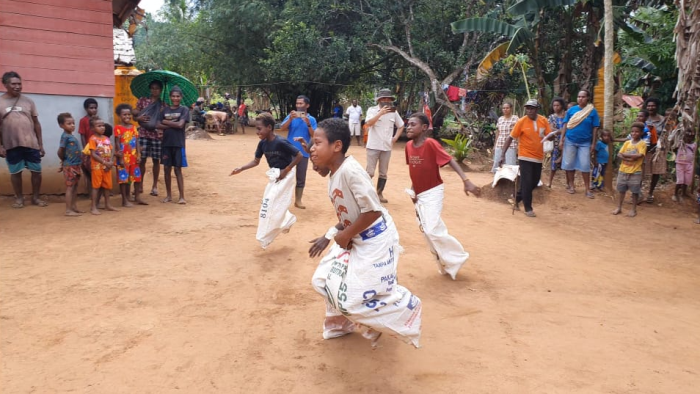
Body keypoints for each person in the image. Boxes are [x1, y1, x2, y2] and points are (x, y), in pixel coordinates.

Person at [308, 117, 422, 348]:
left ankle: (406, 305)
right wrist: (332, 234)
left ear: (336, 146)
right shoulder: (336, 171)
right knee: (323, 280)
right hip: (356, 236)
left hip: (376, 239)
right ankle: (344, 324)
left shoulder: (351, 172)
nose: (312, 149)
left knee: (356, 298)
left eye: (317, 143)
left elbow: (372, 211)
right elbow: (349, 214)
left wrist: (345, 235)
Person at [405, 113, 481, 279]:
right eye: (408, 124)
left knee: (432, 230)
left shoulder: (431, 144)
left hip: (433, 192)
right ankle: (445, 265)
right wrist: (414, 190)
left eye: (413, 124)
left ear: (424, 128)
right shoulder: (408, 146)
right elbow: (414, 170)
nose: (408, 127)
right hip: (420, 194)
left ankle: (459, 257)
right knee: (427, 232)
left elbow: (450, 160)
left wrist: (466, 180)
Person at [230, 113, 303, 248]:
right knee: (271, 203)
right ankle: (287, 219)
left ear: (269, 127)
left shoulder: (280, 142)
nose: (257, 132)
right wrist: (241, 168)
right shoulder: (262, 144)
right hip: (275, 175)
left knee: (270, 202)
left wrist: (286, 171)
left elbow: (299, 155)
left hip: (286, 174)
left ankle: (268, 235)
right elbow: (256, 161)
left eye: (259, 129)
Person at [0, 71, 47, 208]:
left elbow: (36, 123)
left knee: (37, 171)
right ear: (5, 85)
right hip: (11, 144)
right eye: (13, 84)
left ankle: (36, 198)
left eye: (19, 84)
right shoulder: (1, 102)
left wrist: (40, 144)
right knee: (15, 172)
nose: (17, 86)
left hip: (30, 143)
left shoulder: (28, 101)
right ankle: (19, 198)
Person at [499, 99, 551, 217]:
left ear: (537, 109)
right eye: (527, 108)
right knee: (527, 182)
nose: (529, 110)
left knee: (535, 180)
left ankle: (516, 198)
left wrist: (553, 136)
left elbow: (549, 135)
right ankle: (528, 208)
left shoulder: (543, 121)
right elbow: (510, 137)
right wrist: (503, 154)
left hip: (538, 157)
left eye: (532, 108)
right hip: (525, 156)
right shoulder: (521, 122)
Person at [365, 88, 405, 203]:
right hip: (373, 145)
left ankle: (379, 193)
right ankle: (366, 193)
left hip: (387, 147)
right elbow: (368, 123)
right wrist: (380, 113)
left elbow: (401, 125)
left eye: (388, 99)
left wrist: (395, 138)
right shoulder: (372, 110)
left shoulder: (394, 112)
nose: (386, 101)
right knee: (370, 172)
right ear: (379, 100)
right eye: (384, 98)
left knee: (383, 172)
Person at [560, 90, 600, 198]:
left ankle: (587, 189)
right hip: (570, 140)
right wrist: (561, 139)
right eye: (578, 96)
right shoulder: (571, 110)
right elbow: (565, 125)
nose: (580, 99)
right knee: (569, 164)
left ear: (588, 98)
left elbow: (595, 128)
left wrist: (593, 143)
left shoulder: (592, 111)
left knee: (585, 165)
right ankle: (571, 186)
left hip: (585, 142)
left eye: (583, 97)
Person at [279, 95, 316, 209]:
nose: (298, 106)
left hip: (303, 151)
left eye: (301, 103)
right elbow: (282, 128)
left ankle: (298, 200)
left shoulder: (312, 119)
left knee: (301, 177)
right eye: (297, 103)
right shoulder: (291, 116)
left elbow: (314, 135)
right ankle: (281, 200)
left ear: (307, 105)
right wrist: (290, 118)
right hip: (289, 150)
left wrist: (308, 123)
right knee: (284, 174)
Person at [156, 86, 189, 204]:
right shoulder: (164, 110)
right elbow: (158, 125)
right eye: (173, 96)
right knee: (166, 169)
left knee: (178, 170)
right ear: (170, 97)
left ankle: (182, 197)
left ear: (181, 97)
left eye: (178, 96)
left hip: (178, 143)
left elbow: (181, 125)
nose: (175, 98)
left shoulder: (184, 109)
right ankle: (169, 195)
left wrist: (166, 122)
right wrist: (172, 123)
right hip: (166, 143)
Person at [134, 80, 163, 197]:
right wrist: (139, 118)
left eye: (157, 88)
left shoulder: (163, 104)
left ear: (160, 90)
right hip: (143, 133)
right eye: (152, 88)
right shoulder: (142, 101)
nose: (154, 90)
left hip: (156, 135)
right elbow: (135, 114)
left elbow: (164, 118)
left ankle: (154, 186)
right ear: (150, 89)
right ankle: (140, 184)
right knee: (142, 159)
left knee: (156, 160)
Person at [114, 104, 146, 207]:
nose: (127, 116)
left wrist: (139, 154)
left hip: (133, 157)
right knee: (124, 179)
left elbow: (136, 142)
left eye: (129, 114)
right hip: (123, 157)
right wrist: (120, 158)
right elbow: (117, 143)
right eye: (124, 115)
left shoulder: (133, 127)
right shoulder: (118, 128)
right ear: (119, 116)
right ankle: (124, 200)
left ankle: (137, 197)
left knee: (137, 177)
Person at [612, 122, 647, 217]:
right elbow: (619, 154)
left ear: (641, 133)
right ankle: (619, 207)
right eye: (632, 132)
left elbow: (640, 155)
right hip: (623, 170)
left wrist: (625, 156)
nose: (634, 133)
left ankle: (633, 209)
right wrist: (629, 158)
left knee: (635, 191)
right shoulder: (627, 143)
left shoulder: (642, 144)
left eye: (636, 132)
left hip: (635, 171)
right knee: (621, 190)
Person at [87, 116, 118, 215]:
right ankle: (93, 207)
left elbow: (111, 150)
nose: (102, 127)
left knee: (107, 186)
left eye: (103, 125)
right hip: (97, 166)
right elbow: (93, 154)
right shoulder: (92, 139)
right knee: (96, 186)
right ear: (92, 128)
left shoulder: (106, 138)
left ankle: (107, 204)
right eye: (99, 126)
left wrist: (111, 162)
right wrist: (104, 162)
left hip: (107, 166)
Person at [56, 113, 83, 216]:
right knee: (70, 187)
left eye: (73, 123)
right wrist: (64, 160)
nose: (72, 125)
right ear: (61, 125)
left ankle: (74, 207)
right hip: (70, 166)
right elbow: (60, 151)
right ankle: (68, 210)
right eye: (69, 123)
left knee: (75, 187)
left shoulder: (70, 136)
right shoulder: (65, 137)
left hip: (76, 165)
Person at [641, 98, 667, 203]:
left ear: (657, 107)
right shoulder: (643, 118)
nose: (651, 107)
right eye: (649, 106)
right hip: (645, 148)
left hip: (658, 149)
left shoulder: (663, 119)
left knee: (656, 171)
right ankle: (638, 192)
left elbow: (666, 134)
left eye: (653, 105)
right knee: (641, 170)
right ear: (646, 107)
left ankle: (651, 192)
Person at [492, 101, 518, 173]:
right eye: (503, 108)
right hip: (500, 143)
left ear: (511, 109)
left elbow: (518, 133)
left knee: (510, 164)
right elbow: (498, 132)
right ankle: (497, 180)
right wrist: (495, 145)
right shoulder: (500, 119)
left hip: (511, 145)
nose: (505, 109)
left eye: (507, 108)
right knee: (497, 162)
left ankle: (510, 181)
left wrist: (518, 145)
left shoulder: (515, 119)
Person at [546, 97, 567, 187]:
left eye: (558, 105)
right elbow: (551, 128)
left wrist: (559, 131)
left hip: (567, 140)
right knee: (553, 163)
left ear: (562, 106)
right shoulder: (552, 117)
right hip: (556, 142)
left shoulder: (567, 115)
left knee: (568, 164)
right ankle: (550, 182)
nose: (556, 107)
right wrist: (562, 131)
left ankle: (568, 183)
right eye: (554, 105)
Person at [673, 132, 696, 202]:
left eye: (690, 137)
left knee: (687, 180)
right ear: (684, 136)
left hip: (689, 165)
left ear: (693, 138)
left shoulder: (694, 145)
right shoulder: (680, 143)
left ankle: (683, 194)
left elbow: (693, 153)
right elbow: (674, 148)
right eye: (687, 137)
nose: (688, 138)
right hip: (680, 164)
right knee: (680, 180)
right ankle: (675, 194)